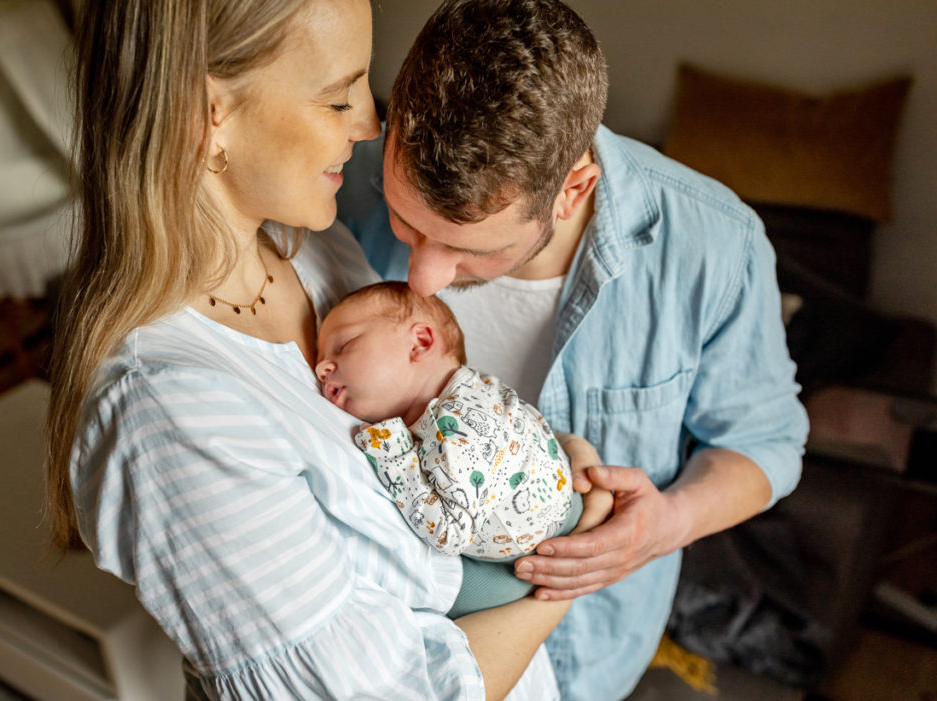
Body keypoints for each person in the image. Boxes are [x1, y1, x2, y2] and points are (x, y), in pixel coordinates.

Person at [44, 1, 609, 699]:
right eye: (339, 97)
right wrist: (562, 579)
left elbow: (420, 445)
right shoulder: (169, 412)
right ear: (211, 111)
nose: (370, 125)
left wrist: (555, 475)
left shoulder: (310, 248)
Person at [336, 0, 811, 699]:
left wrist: (665, 524)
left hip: (584, 661)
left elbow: (767, 442)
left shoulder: (714, 246)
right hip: (382, 645)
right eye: (406, 222)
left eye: (472, 251)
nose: (424, 279)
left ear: (574, 189)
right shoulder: (342, 182)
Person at [314, 281, 613, 617]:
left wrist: (394, 453)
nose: (321, 368)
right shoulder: (468, 391)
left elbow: (448, 532)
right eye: (322, 357)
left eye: (344, 346)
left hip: (528, 558)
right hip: (546, 522)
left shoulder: (456, 425)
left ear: (420, 342)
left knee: (425, 596)